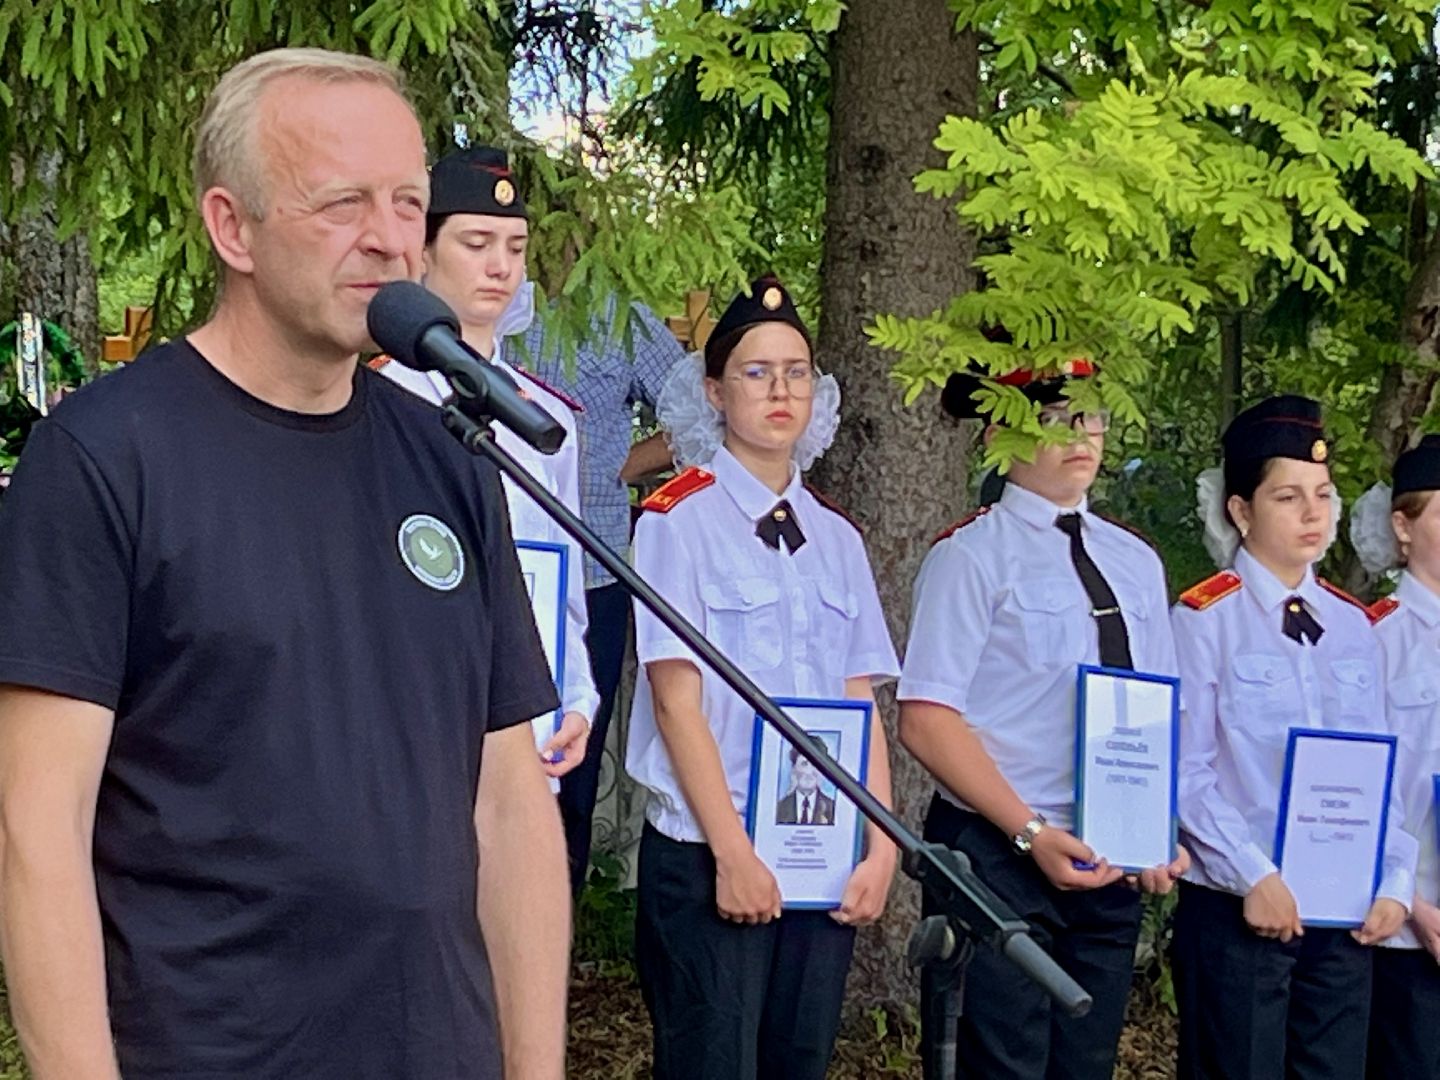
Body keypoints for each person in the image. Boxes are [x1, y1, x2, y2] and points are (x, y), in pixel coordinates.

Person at [0, 49, 569, 1080]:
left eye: (406, 201)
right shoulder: (102, 458)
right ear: (233, 227)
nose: (390, 239)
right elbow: (36, 836)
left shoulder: (450, 459)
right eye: (341, 203)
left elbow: (508, 806)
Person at [626, 275, 898, 1080]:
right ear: (713, 392)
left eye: (796, 372)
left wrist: (879, 844)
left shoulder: (838, 539)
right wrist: (734, 852)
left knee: (798, 1063)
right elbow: (677, 703)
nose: (781, 390)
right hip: (713, 849)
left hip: (818, 853)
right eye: (756, 371)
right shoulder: (678, 521)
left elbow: (859, 701)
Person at [898, 359, 1188, 1080]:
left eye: (1091, 415)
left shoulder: (1135, 561)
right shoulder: (971, 555)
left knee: (1085, 1061)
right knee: (1003, 1063)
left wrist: (1158, 827)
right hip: (1002, 851)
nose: (1080, 435)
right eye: (1053, 419)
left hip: (1107, 854)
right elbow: (928, 717)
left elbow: (1155, 708)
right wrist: (1028, 830)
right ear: (1000, 432)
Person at [1170, 395, 1417, 1080]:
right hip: (1240, 907)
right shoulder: (1203, 619)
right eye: (1287, 497)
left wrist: (1393, 878)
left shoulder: (1351, 624)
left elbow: (1381, 772)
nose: (1313, 514)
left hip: (1342, 911)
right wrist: (1256, 871)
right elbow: (1184, 770)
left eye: (1323, 494)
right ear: (1240, 510)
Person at [371, 145, 597, 783]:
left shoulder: (544, 416)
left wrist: (575, 697)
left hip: (524, 734)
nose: (501, 266)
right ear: (422, 251)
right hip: (412, 731)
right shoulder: (374, 401)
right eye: (476, 242)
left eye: (516, 247)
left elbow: (565, 584)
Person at [518, 299, 687, 894]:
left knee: (573, 771)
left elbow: (699, 406)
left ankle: (553, 945)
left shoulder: (623, 317)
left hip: (593, 578)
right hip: (497, 574)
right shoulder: (488, 297)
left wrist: (618, 466)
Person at [1351, 434, 1440, 1079]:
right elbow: (1356, 786)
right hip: (1408, 929)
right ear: (1402, 527)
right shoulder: (1371, 638)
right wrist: (1414, 902)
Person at [776, 749, 836, 826]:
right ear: (793, 770)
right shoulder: (779, 809)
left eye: (815, 765)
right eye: (804, 764)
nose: (809, 772)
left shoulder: (833, 809)